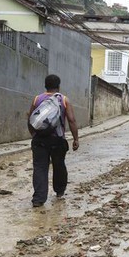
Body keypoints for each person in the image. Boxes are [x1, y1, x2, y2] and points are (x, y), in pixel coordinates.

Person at [27, 74, 79, 207]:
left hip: (40, 140)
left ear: (45, 85)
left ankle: (38, 199)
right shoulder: (64, 100)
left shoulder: (37, 99)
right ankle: (60, 191)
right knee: (59, 165)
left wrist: (34, 135)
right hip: (58, 140)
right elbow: (72, 120)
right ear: (58, 86)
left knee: (40, 168)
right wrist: (75, 139)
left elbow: (30, 119)